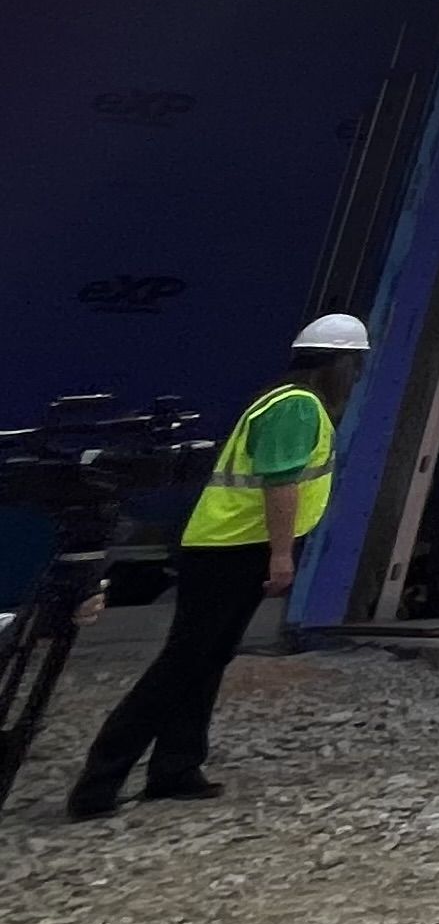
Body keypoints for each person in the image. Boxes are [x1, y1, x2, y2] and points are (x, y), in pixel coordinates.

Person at [67, 311, 366, 819]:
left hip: (225, 546)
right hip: (234, 549)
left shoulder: (281, 398)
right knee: (184, 662)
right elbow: (281, 482)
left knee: (206, 659)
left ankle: (176, 767)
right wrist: (280, 554)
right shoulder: (297, 407)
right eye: (355, 365)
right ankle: (100, 781)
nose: (357, 376)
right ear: (339, 364)